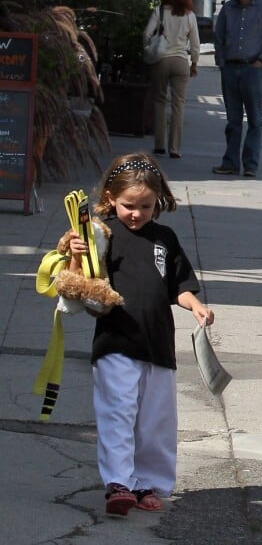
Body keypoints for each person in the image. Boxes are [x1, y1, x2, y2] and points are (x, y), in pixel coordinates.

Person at [67, 152, 214, 515]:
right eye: (128, 205)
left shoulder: (164, 238)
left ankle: (147, 482)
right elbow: (79, 283)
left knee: (155, 419)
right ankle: (119, 482)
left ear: (158, 201)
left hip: (157, 343)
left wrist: (195, 305)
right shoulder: (101, 232)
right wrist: (74, 252)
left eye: (145, 206)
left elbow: (178, 285)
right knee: (117, 411)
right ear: (109, 200)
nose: (136, 213)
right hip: (115, 340)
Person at [212, 0, 262, 177]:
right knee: (233, 120)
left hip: (252, 69)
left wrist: (261, 60)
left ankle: (250, 164)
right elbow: (219, 37)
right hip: (230, 69)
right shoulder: (228, 9)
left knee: (255, 119)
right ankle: (230, 162)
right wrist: (221, 61)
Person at [143, 0, 200, 158]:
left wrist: (148, 48)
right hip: (181, 61)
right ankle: (174, 148)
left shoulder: (159, 12)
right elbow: (195, 43)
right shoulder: (189, 15)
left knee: (159, 101)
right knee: (178, 104)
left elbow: (146, 34)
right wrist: (195, 63)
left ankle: (159, 145)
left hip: (161, 60)